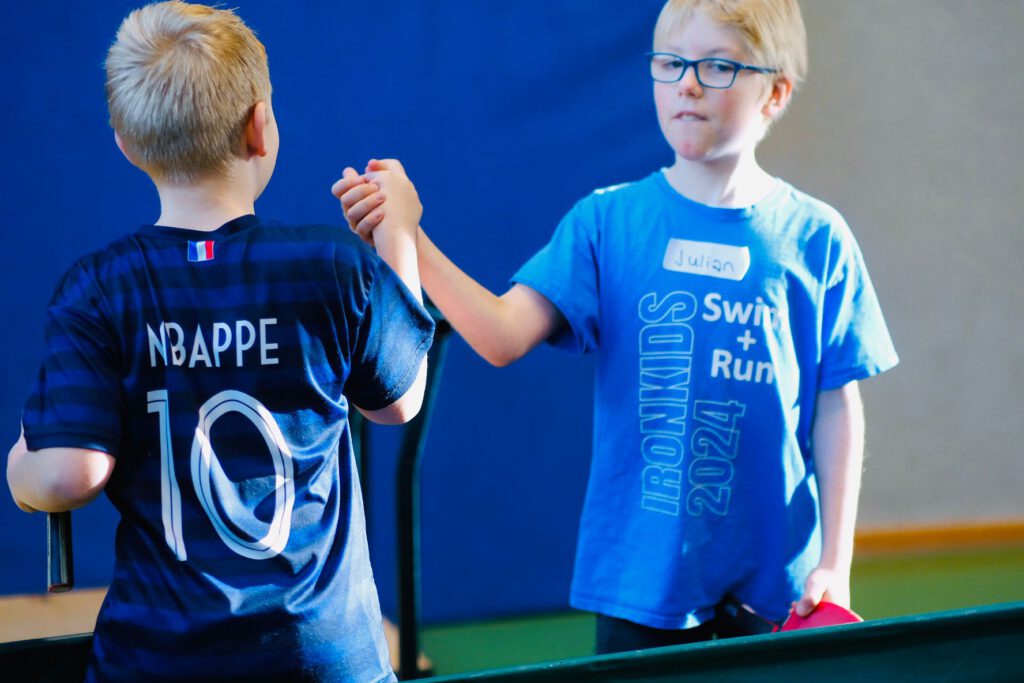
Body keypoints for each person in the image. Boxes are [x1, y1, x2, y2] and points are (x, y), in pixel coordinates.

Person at [334, 0, 898, 655]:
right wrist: (410, 235)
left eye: (717, 66)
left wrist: (836, 561)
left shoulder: (818, 238)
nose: (687, 85)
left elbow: (837, 406)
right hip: (641, 583)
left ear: (775, 92)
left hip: (780, 588)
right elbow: (499, 335)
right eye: (671, 64)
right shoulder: (607, 224)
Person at [6, 2, 433, 681]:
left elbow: (66, 474)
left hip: (159, 660)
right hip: (324, 657)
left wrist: (22, 469)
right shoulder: (333, 265)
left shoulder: (99, 288)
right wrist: (398, 238)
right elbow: (399, 400)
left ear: (126, 143)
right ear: (260, 127)